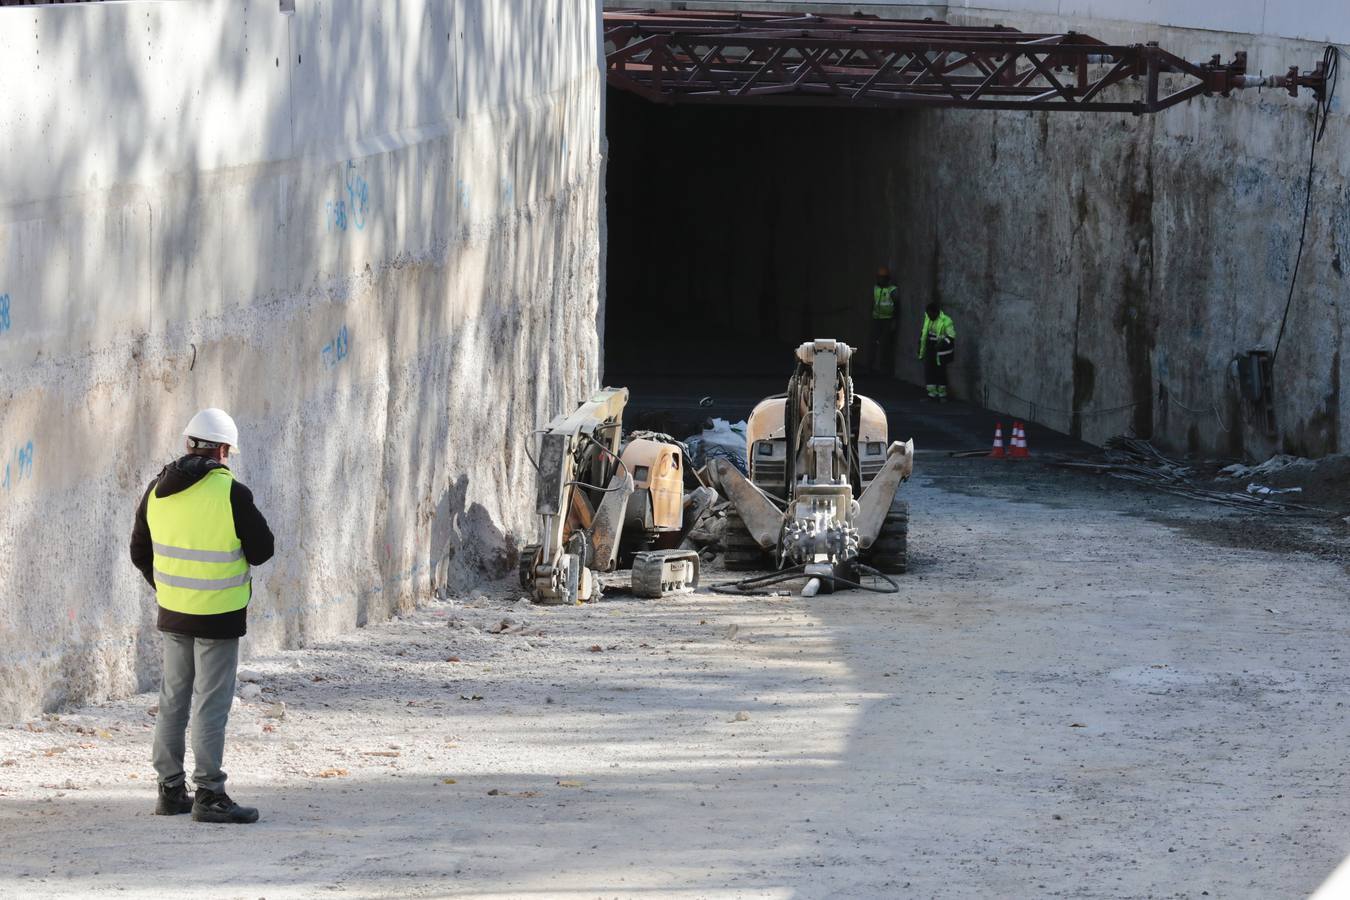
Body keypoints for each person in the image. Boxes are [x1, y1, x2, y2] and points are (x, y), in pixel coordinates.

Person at [129, 408, 274, 824]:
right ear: (224, 450)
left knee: (173, 699)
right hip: (219, 615)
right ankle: (209, 792)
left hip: (174, 613)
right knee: (210, 703)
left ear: (188, 443)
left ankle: (170, 790)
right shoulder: (231, 493)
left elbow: (140, 552)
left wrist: (171, 588)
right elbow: (263, 551)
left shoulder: (156, 489)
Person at [918, 301, 956, 402]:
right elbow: (924, 333)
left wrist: (942, 343)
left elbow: (951, 336)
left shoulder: (946, 321)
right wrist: (921, 348)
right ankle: (932, 395)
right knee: (929, 370)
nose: (929, 316)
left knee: (940, 372)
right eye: (928, 314)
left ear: (936, 313)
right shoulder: (928, 318)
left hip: (941, 351)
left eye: (931, 314)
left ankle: (942, 395)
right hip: (930, 348)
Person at [870, 266, 898, 374]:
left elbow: (897, 307)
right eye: (879, 277)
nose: (880, 279)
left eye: (883, 277)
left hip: (887, 320)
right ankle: (871, 368)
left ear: (887, 278)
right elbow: (872, 304)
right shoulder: (875, 289)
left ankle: (884, 370)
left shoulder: (893, 290)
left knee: (885, 346)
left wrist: (894, 322)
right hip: (876, 319)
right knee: (873, 344)